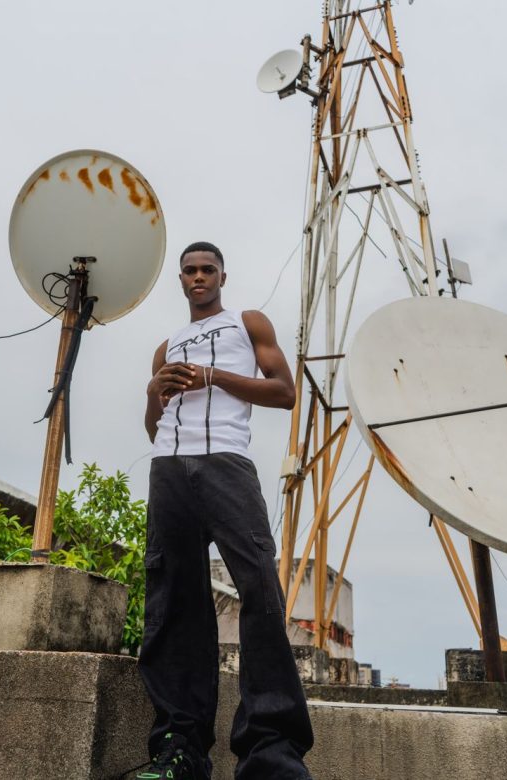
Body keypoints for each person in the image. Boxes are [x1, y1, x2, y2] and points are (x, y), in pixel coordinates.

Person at [137, 241, 314, 780]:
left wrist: (214, 378)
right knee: (174, 605)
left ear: (221, 276)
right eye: (189, 270)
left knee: (259, 589)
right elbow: (155, 427)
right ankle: (179, 752)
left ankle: (271, 755)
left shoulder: (247, 322)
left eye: (206, 269)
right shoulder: (166, 346)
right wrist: (153, 390)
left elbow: (284, 392)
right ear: (181, 279)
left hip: (227, 466)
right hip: (170, 469)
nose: (198, 277)